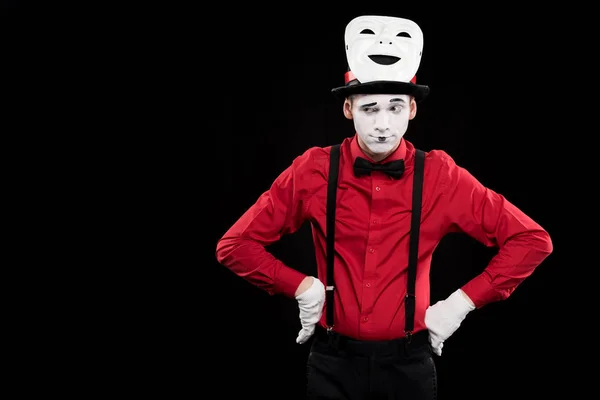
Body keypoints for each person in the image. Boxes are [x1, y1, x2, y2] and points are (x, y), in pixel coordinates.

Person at [215, 15, 553, 400]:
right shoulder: (314, 170)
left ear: (411, 109)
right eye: (369, 109)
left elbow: (532, 240)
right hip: (331, 363)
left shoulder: (441, 175)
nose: (382, 125)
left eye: (395, 108)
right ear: (348, 109)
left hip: (408, 367)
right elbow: (233, 246)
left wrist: (460, 304)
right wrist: (303, 287)